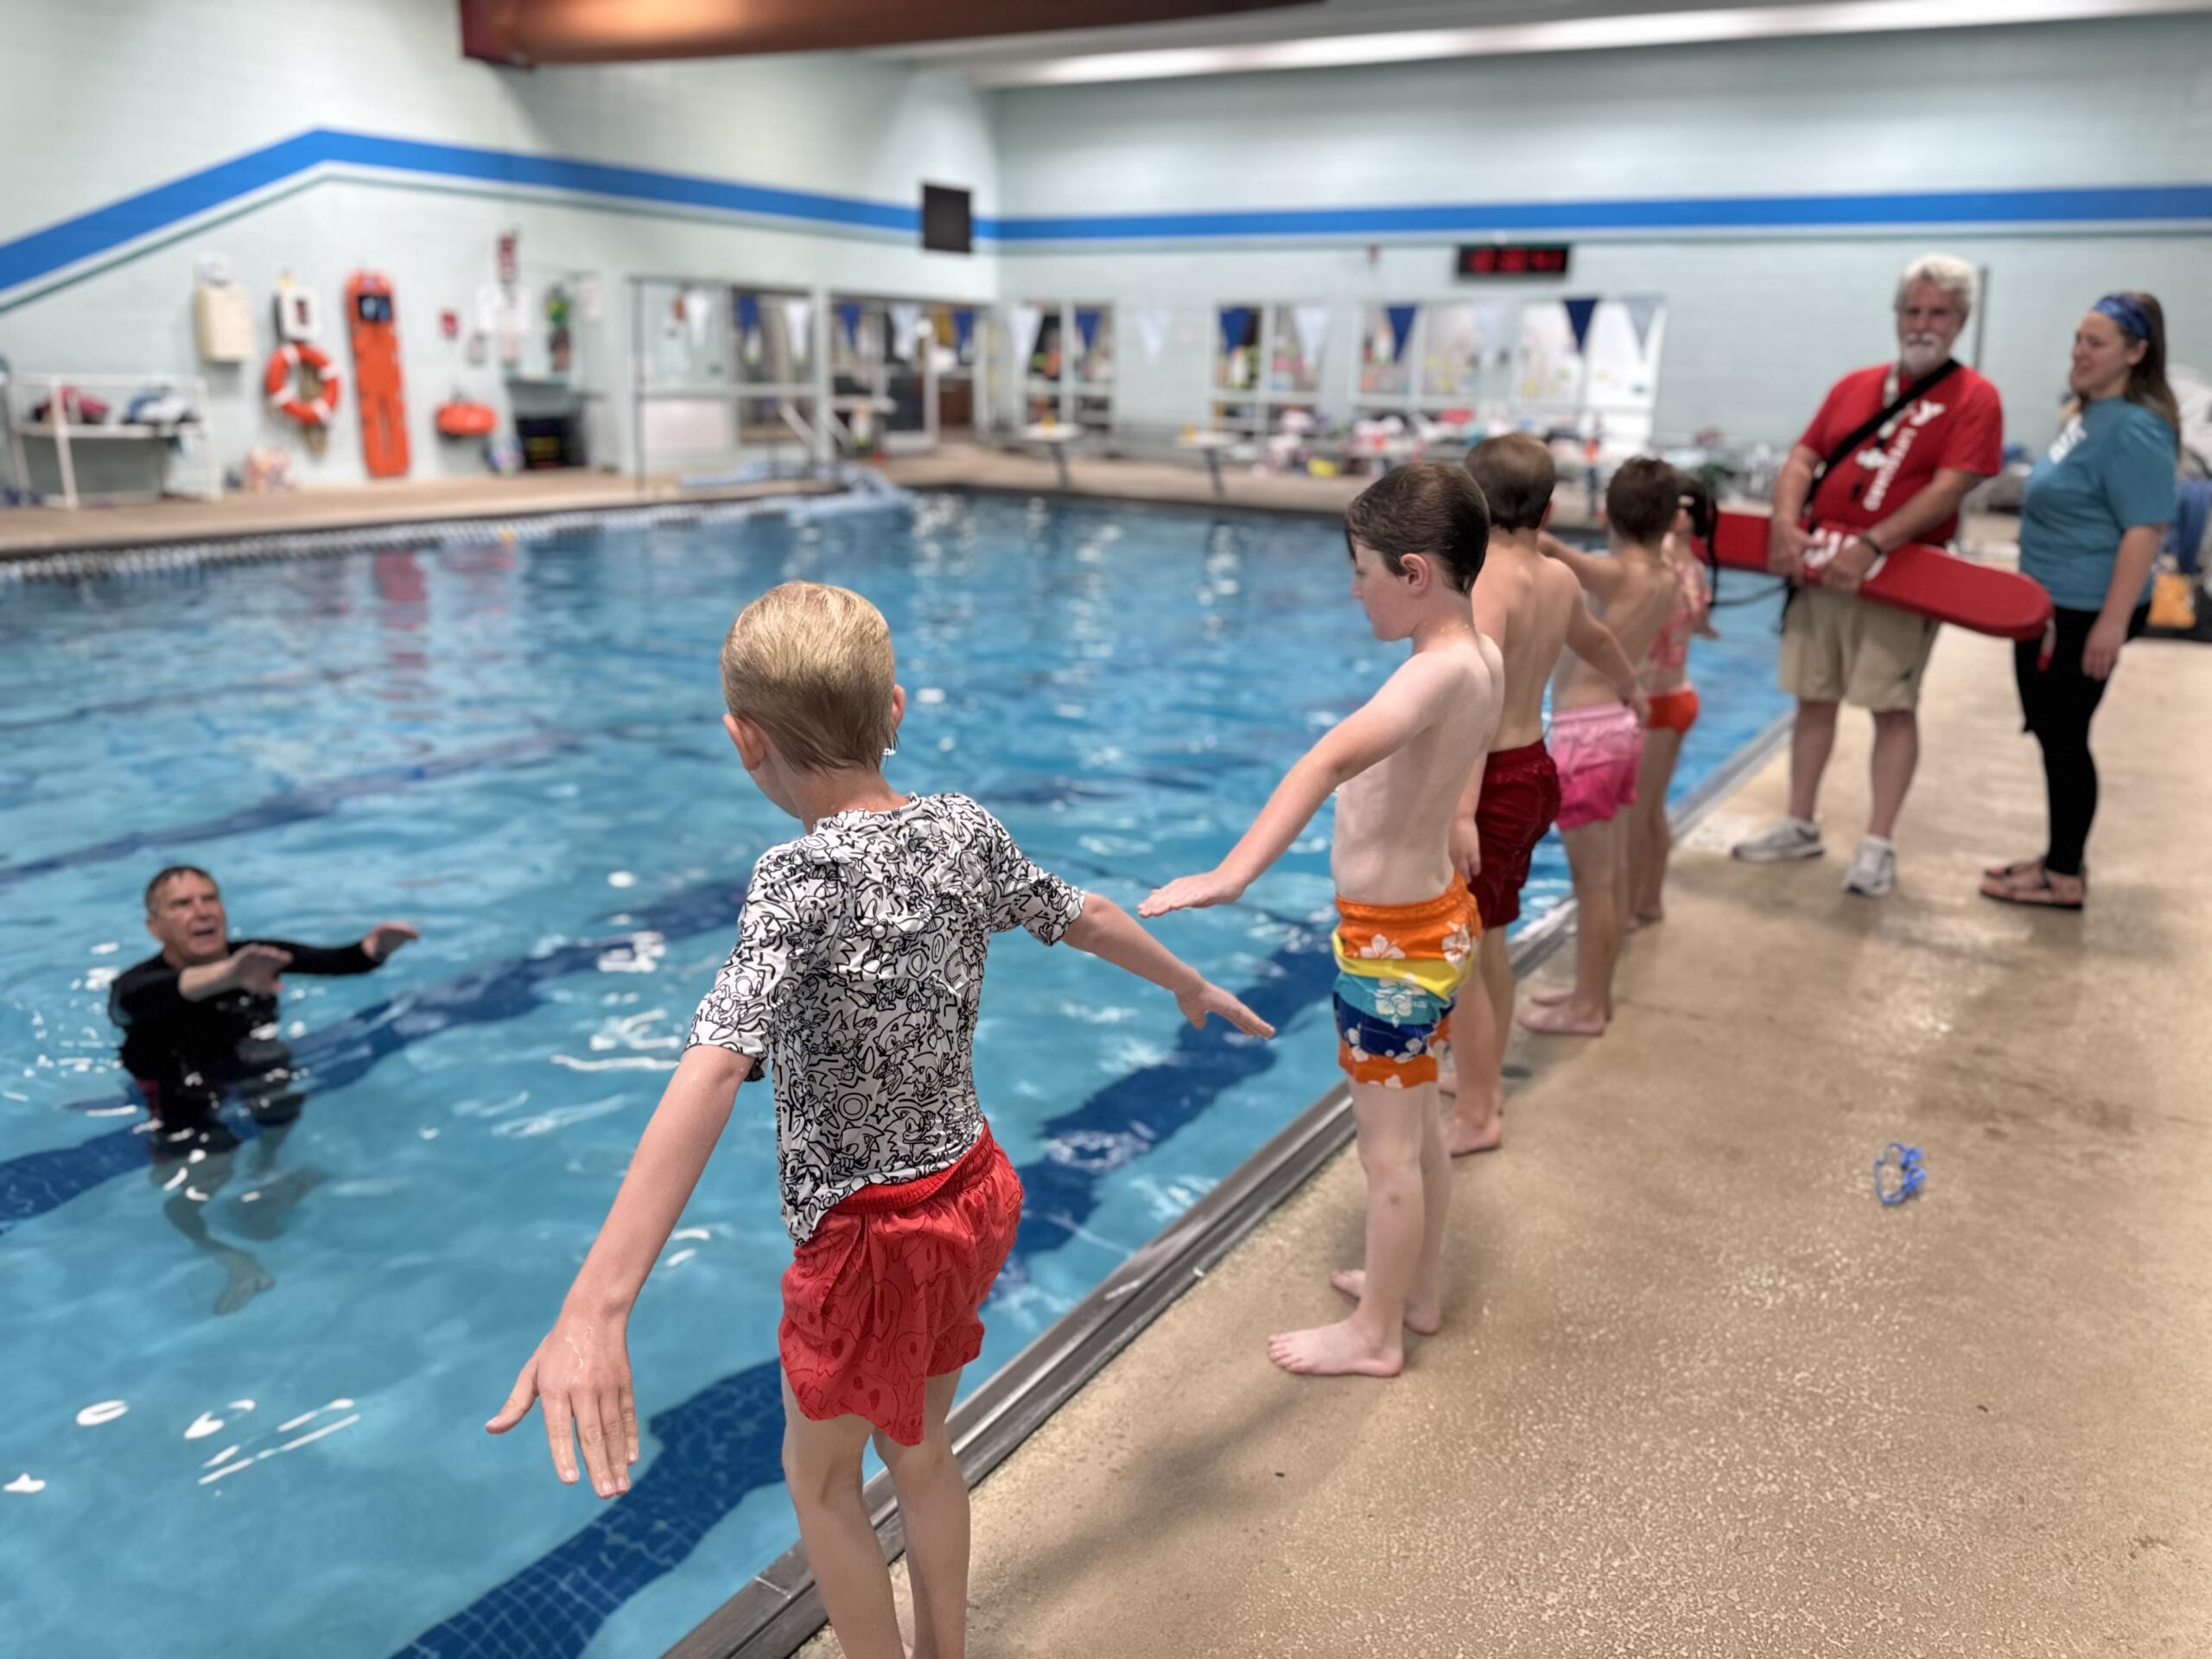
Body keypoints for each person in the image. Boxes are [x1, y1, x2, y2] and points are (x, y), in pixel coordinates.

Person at [489, 582, 1271, 1659]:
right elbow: (1078, 912)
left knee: (817, 1480)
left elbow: (716, 1064)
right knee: (921, 1446)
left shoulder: (795, 878)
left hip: (869, 1238)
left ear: (742, 740)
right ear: (894, 709)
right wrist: (1184, 981)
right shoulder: (961, 827)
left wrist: (598, 1302)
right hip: (975, 1191)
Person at [1144, 462, 1502, 1376]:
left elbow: (1324, 761)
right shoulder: (1479, 658)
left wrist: (1230, 875)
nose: (1353, 591)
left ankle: (1375, 1336)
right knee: (1421, 1132)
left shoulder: (1426, 679)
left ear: (1414, 572)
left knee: (1386, 1160)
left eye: (1361, 571)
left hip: (1393, 950)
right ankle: (1413, 1293)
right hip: (1433, 927)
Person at [1732, 254, 2005, 897]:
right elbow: (1804, 457)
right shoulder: (1853, 385)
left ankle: (1878, 842)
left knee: (1891, 706)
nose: (1922, 323)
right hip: (1821, 567)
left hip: (1901, 576)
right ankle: (1800, 821)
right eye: (1912, 310)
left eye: (1937, 312)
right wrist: (1783, 519)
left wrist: (1876, 542)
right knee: (1813, 697)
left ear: (1961, 320)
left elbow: (1951, 488)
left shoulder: (1975, 398)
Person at [1439, 435, 1643, 1150]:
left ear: (1464, 505)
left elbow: (1477, 695)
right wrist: (1632, 687)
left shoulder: (1485, 582)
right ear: (1551, 507)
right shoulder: (1557, 577)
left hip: (1487, 778)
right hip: (1533, 770)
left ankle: (1479, 1108)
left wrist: (1460, 807)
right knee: (1489, 940)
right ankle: (1477, 1072)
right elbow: (1595, 640)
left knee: (1465, 953)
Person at [108, 866, 417, 1313]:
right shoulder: (136, 986)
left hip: (245, 1074)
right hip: (182, 1094)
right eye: (182, 904)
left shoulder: (253, 957)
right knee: (197, 1177)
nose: (202, 911)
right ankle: (227, 1255)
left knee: (279, 1084)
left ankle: (265, 1173)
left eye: (209, 898)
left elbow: (338, 960)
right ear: (155, 927)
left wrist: (375, 950)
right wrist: (229, 974)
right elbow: (146, 998)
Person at [1982, 293, 2178, 910]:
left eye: (2096, 343)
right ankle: (2058, 857)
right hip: (2051, 603)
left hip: (2088, 609)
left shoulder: (2136, 427)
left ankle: (2064, 874)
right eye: (2077, 339)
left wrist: (2112, 624)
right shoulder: (2087, 414)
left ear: (2136, 353)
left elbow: (2145, 528)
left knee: (2066, 737)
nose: (2080, 352)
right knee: (2055, 733)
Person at [1517, 458, 1681, 1038]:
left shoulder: (1623, 574)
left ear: (1609, 513)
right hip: (1619, 727)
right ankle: (1593, 994)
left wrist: (1520, 521)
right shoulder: (1665, 577)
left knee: (1594, 885)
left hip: (1586, 734)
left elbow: (1559, 554)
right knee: (1605, 880)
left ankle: (1587, 1009)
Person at [1628, 476, 1719, 928]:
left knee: (1636, 816)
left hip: (1656, 702)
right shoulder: (1695, 566)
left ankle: (1633, 905)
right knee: (1650, 811)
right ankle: (1649, 901)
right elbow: (1697, 622)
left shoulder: (1660, 559)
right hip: (1676, 695)